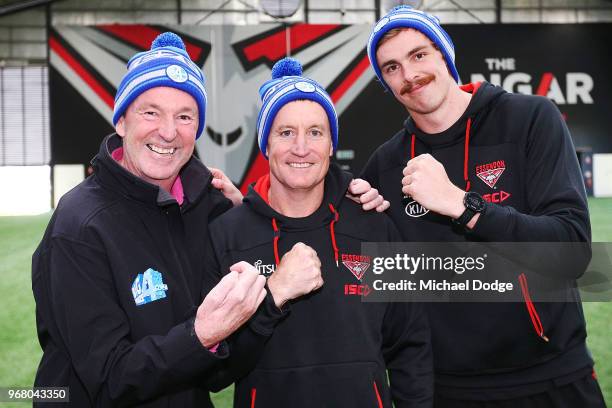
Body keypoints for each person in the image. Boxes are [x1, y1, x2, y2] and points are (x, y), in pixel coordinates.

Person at [31, 32, 333, 407]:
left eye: (184, 116)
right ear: (122, 121)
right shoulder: (78, 226)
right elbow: (109, 379)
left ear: (197, 128)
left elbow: (220, 369)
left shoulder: (211, 208)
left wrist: (345, 193)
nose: (169, 131)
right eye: (151, 112)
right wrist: (202, 334)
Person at [361, 6, 606, 408]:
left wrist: (463, 205)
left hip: (551, 377)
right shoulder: (386, 166)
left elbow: (572, 252)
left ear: (445, 55)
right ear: (385, 83)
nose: (408, 75)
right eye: (391, 67)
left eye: (419, 55)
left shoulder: (529, 119)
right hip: (447, 388)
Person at [206, 58, 433, 408]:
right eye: (285, 133)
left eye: (315, 132)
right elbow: (217, 370)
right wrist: (272, 295)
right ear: (266, 144)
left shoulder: (373, 223)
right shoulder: (227, 236)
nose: (301, 147)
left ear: (330, 145)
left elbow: (409, 344)